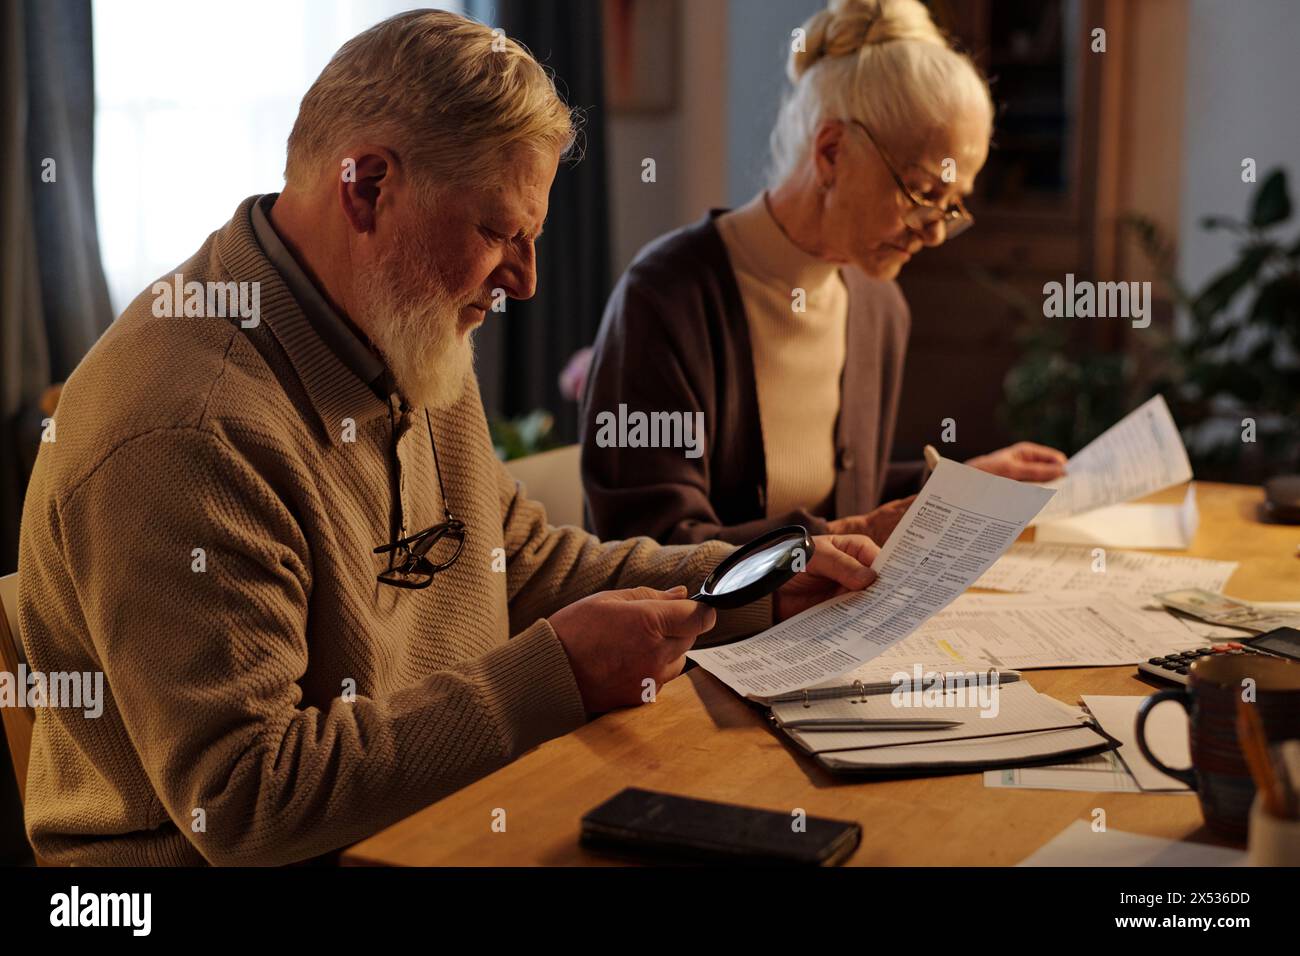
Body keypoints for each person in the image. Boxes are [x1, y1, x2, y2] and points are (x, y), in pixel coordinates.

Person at [16, 10, 878, 867]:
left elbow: (520, 564)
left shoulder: (406, 329)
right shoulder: (187, 431)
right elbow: (246, 802)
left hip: (446, 825)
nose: (528, 281)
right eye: (500, 232)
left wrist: (760, 585)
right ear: (367, 188)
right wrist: (556, 676)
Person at [581, 0, 1066, 548]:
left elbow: (830, 491)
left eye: (953, 207)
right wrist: (849, 534)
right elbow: (648, 552)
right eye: (924, 194)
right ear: (832, 151)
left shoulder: (878, 308)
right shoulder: (667, 298)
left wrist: (954, 484)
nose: (933, 233)